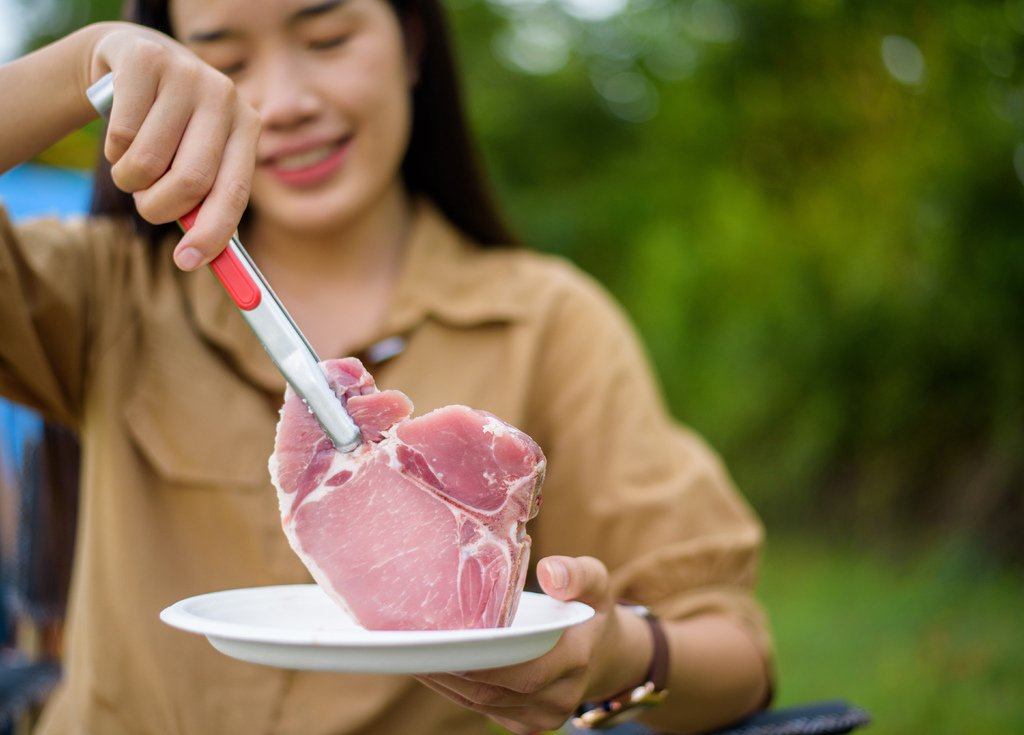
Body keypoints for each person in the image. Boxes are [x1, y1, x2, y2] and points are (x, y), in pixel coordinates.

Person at [0, 0, 774, 733]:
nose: (285, 100)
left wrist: (616, 654)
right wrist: (82, 65)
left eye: (328, 38)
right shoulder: (101, 290)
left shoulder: (550, 321)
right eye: (224, 56)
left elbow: (738, 652)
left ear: (411, 41)